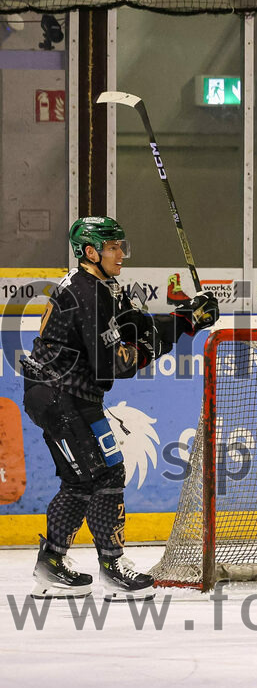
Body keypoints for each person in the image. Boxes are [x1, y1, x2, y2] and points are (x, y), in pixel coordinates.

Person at [21, 216, 219, 600]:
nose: (120, 254)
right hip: (63, 396)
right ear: (90, 252)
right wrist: (165, 337)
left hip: (59, 394)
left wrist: (186, 318)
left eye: (120, 246)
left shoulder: (98, 286)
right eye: (112, 248)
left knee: (83, 480)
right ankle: (113, 567)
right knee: (108, 474)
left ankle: (52, 564)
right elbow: (117, 363)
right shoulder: (88, 293)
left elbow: (136, 326)